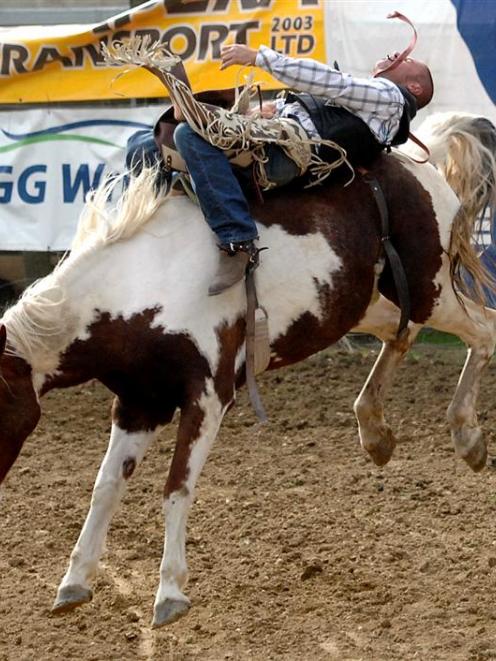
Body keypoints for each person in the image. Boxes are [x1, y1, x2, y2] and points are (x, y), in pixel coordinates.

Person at [173, 43, 434, 295]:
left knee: (187, 134)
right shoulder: (370, 106)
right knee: (154, 143)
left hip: (284, 151)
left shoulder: (390, 96)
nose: (399, 53)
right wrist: (270, 111)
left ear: (414, 86)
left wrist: (259, 58)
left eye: (408, 59)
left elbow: (331, 82)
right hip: (280, 143)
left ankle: (237, 239)